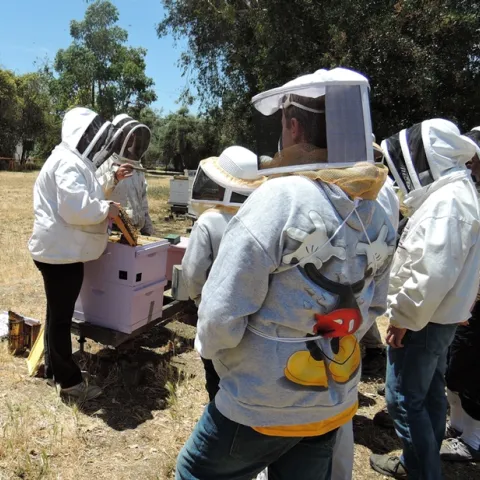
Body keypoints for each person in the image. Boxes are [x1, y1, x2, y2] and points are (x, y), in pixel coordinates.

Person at [175, 67, 396, 480]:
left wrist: (218, 357)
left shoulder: (279, 197)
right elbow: (374, 305)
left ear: (293, 126)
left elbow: (221, 315)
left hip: (261, 404)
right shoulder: (382, 211)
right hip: (333, 400)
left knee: (194, 472)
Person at [369, 119, 480, 479]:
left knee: (402, 401)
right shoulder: (458, 194)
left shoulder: (447, 203)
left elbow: (432, 272)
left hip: (425, 321)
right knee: (430, 395)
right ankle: (419, 463)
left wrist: (402, 318)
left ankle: (421, 471)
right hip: (440, 318)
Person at [28, 107, 131, 401]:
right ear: (82, 134)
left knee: (56, 313)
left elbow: (89, 192)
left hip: (59, 251)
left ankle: (52, 369)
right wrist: (106, 209)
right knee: (61, 318)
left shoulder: (71, 161)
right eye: (91, 135)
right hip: (60, 254)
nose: (96, 142)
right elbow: (76, 208)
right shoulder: (66, 162)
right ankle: (70, 382)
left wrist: (112, 180)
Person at [332, 142, 400, 480]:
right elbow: (377, 297)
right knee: (339, 402)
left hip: (326, 325)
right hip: (352, 320)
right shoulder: (385, 193)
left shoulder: (335, 193)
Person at [181, 146, 266, 402]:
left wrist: (197, 299)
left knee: (215, 374)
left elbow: (193, 270)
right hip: (256, 311)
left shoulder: (209, 221)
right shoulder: (264, 216)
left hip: (216, 310)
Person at [440, 126, 480, 463]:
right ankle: (456, 427)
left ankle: (474, 440)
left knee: (473, 371)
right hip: (467, 301)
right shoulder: (470, 192)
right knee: (456, 366)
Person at [96, 114, 154, 235]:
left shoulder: (137, 166)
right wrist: (114, 177)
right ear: (117, 135)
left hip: (134, 232)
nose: (133, 136)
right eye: (129, 132)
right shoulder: (103, 162)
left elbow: (142, 202)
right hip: (111, 231)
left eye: (134, 133)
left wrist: (148, 231)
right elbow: (94, 193)